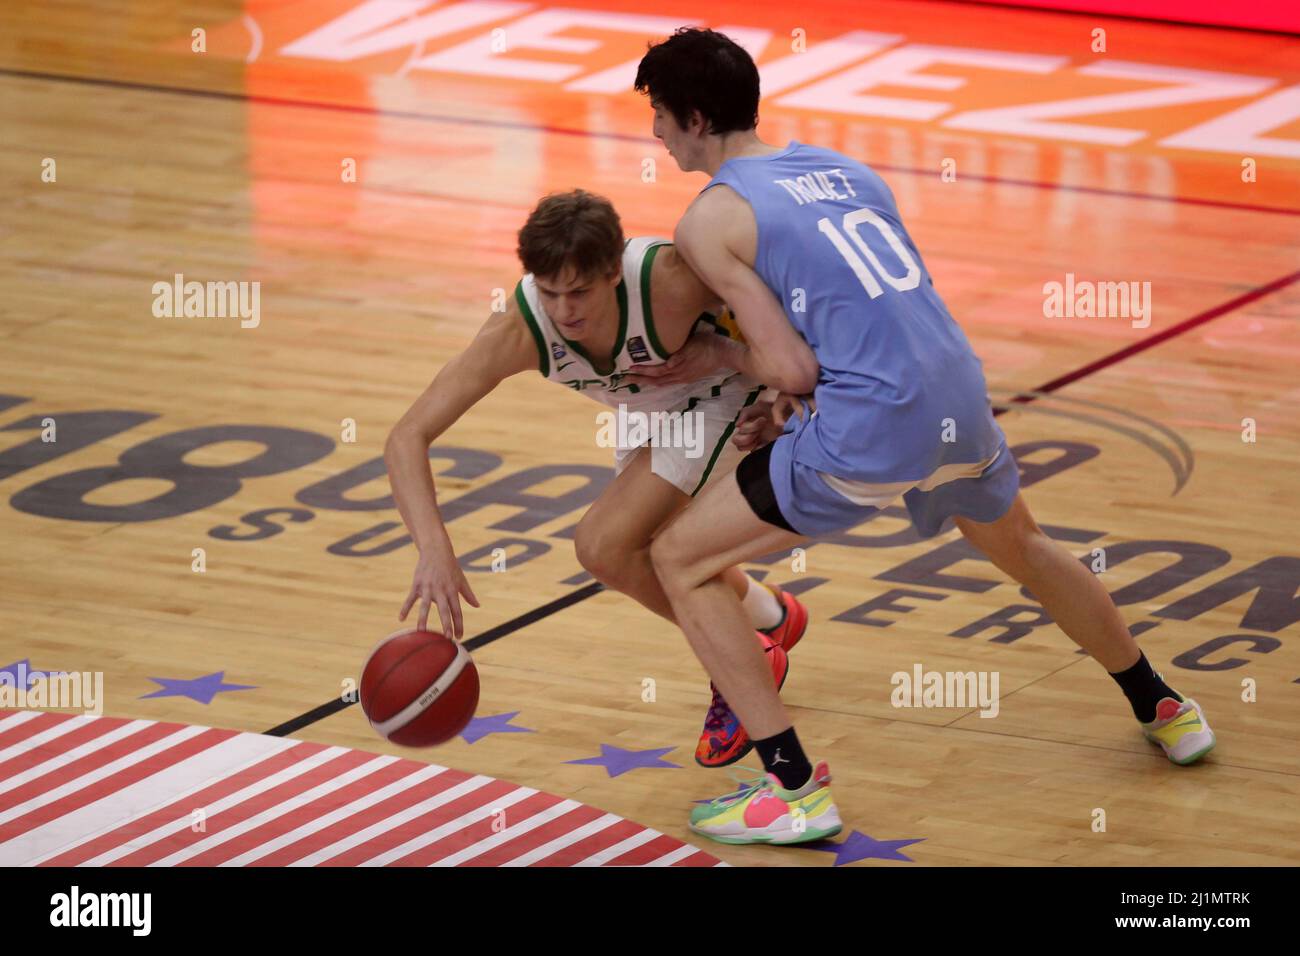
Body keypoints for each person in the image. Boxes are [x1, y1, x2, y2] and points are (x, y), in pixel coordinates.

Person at [631, 28, 1216, 846]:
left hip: (872, 422)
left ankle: (793, 788)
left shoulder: (710, 218)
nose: (655, 133)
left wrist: (718, 356)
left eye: (659, 115)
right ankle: (1162, 704)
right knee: (1025, 547)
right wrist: (793, 390)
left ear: (694, 117)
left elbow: (794, 368)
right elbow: (867, 318)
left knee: (679, 558)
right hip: (958, 391)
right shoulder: (847, 169)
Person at [383, 188, 812, 768]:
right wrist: (433, 550)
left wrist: (788, 379)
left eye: (579, 291)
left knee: (605, 545)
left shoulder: (673, 280)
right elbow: (407, 436)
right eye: (550, 291)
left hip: (726, 387)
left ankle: (746, 665)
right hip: (650, 407)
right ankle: (768, 616)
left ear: (613, 272)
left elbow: (797, 294)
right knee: (650, 549)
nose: (564, 310)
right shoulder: (519, 328)